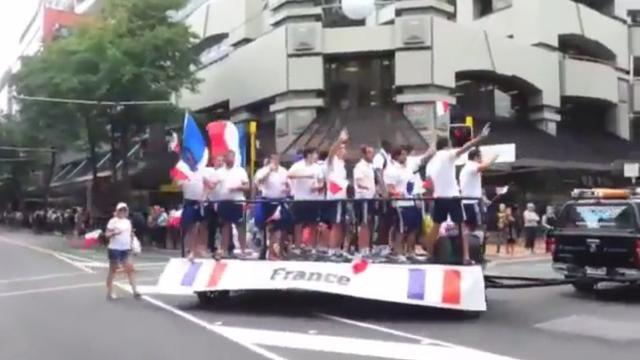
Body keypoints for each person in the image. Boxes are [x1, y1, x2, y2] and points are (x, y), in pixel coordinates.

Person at [424, 123, 491, 264]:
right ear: (447, 145)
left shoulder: (431, 162)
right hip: (452, 197)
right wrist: (480, 138)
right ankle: (466, 257)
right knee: (462, 226)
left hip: (439, 197)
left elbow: (429, 184)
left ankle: (430, 254)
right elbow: (465, 148)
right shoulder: (448, 155)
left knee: (436, 226)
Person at [384, 147, 422, 262]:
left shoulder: (408, 169)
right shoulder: (391, 170)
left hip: (411, 202)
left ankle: (410, 251)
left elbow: (412, 186)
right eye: (403, 154)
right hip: (400, 204)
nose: (405, 157)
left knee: (413, 228)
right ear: (397, 156)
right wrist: (398, 193)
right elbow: (389, 189)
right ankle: (398, 252)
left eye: (406, 154)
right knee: (400, 229)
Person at [459, 148, 498, 258]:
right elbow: (485, 166)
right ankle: (476, 252)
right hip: (472, 202)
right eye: (480, 157)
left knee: (470, 228)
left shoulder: (466, 168)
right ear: (476, 157)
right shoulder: (471, 166)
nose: (481, 159)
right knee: (478, 227)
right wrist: (494, 158)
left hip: (470, 201)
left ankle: (474, 251)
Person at [288, 147, 324, 256]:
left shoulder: (317, 167)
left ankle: (312, 247)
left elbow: (321, 182)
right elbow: (290, 175)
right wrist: (306, 176)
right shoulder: (298, 166)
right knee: (298, 224)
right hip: (300, 198)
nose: (316, 156)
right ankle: (298, 246)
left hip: (313, 199)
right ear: (308, 154)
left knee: (314, 224)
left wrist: (317, 187)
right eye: (314, 154)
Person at [254, 153, 290, 259]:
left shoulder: (284, 171)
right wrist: (269, 170)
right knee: (263, 227)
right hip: (266, 201)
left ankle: (273, 253)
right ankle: (263, 249)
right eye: (273, 158)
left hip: (279, 201)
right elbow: (258, 181)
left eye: (277, 158)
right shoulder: (263, 170)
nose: (276, 160)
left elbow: (288, 185)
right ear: (270, 159)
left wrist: (287, 189)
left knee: (278, 229)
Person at [217, 150, 251, 258]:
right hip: (223, 202)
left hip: (237, 202)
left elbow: (247, 186)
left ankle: (243, 250)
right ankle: (223, 250)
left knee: (240, 226)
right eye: (228, 156)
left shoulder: (240, 171)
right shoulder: (219, 172)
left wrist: (237, 187)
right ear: (225, 157)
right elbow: (213, 184)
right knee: (225, 226)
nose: (230, 158)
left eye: (232, 156)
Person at [105, 203, 140, 300]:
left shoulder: (128, 222)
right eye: (120, 210)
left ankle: (135, 291)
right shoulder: (113, 221)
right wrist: (114, 233)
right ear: (117, 211)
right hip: (114, 248)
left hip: (126, 249)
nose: (123, 212)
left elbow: (131, 234)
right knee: (113, 270)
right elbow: (107, 234)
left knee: (130, 269)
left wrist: (134, 244)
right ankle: (109, 292)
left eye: (124, 210)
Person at [324, 129, 350, 259]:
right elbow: (331, 152)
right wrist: (340, 140)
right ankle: (332, 250)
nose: (345, 151)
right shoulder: (331, 162)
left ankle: (338, 249)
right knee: (336, 223)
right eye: (343, 148)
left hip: (342, 197)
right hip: (334, 198)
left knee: (341, 224)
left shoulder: (342, 164)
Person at [178, 167, 207, 261]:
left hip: (199, 202)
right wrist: (181, 182)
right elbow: (178, 185)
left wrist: (204, 196)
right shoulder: (183, 171)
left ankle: (199, 248)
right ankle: (191, 250)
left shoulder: (202, 171)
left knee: (201, 226)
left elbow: (209, 185)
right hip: (188, 201)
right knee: (190, 226)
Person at [353, 145, 376, 257]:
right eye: (369, 153)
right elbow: (358, 182)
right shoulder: (360, 166)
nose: (372, 155)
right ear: (364, 154)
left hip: (370, 198)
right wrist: (366, 187)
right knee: (364, 223)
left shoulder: (370, 167)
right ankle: (363, 248)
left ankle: (368, 247)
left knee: (370, 222)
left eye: (372, 153)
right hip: (363, 199)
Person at [203, 154, 225, 255]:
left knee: (223, 225)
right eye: (218, 160)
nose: (220, 162)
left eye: (222, 160)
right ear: (214, 161)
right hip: (210, 201)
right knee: (210, 225)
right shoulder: (208, 171)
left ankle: (225, 247)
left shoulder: (225, 172)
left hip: (222, 201)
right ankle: (210, 246)